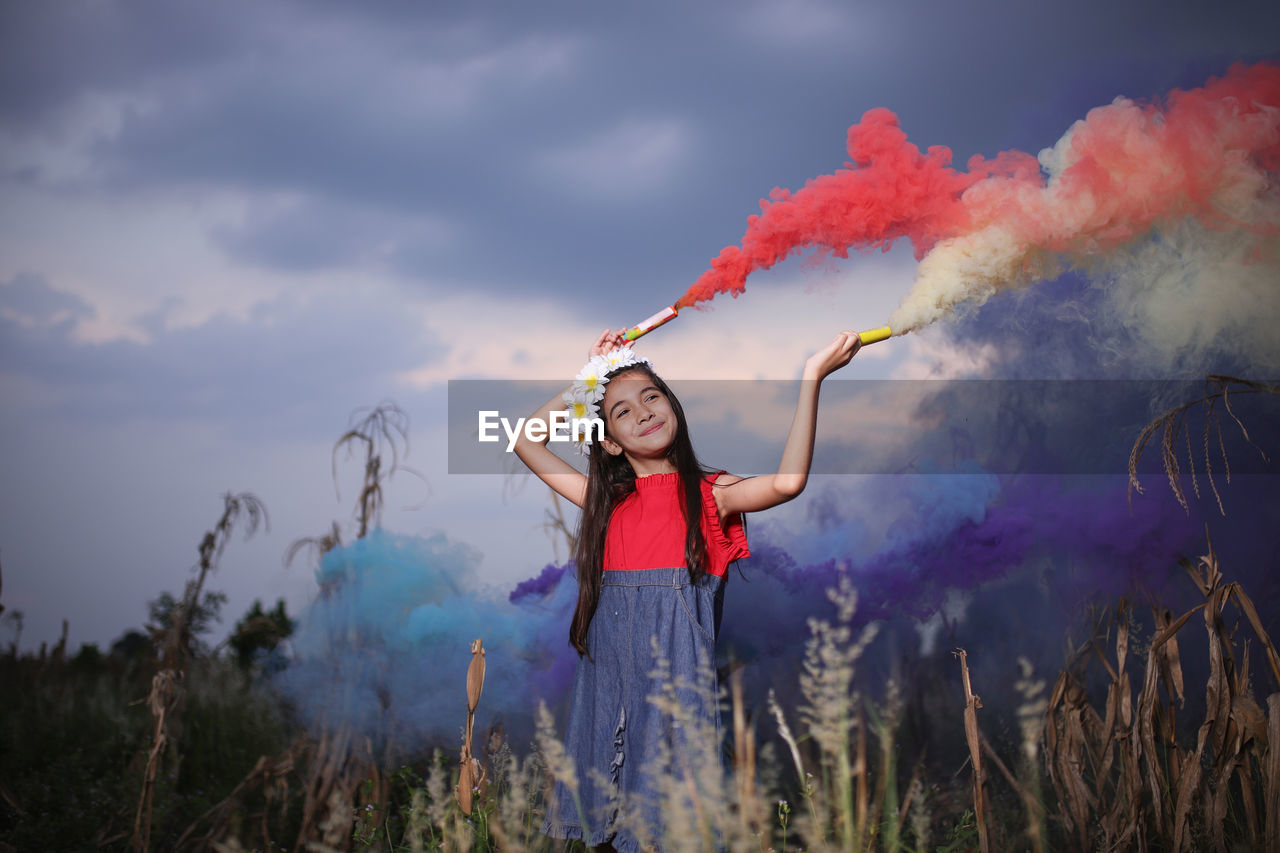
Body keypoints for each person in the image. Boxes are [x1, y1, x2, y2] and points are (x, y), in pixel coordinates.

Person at [514, 328, 862, 851]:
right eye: (622, 411)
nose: (643, 412)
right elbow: (524, 440)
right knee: (604, 834)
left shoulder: (713, 494)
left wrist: (811, 377)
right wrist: (587, 380)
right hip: (606, 697)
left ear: (673, 406)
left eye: (651, 397)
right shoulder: (606, 503)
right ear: (608, 441)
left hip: (675, 705)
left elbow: (788, 482)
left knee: (678, 830)